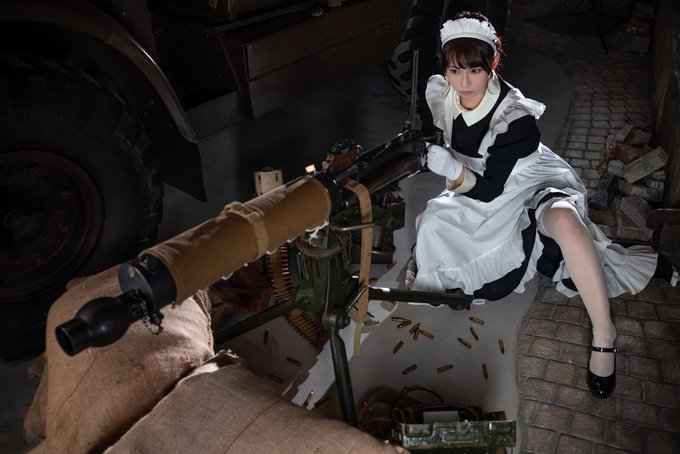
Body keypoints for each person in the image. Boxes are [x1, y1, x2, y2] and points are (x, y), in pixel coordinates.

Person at [408, 11, 678, 399]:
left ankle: (604, 334)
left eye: (475, 70)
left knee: (565, 223)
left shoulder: (514, 116)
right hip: (479, 182)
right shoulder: (441, 92)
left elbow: (490, 189)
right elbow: (448, 140)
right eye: (454, 71)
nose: (463, 83)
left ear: (493, 63)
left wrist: (452, 169)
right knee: (434, 220)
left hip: (525, 178)